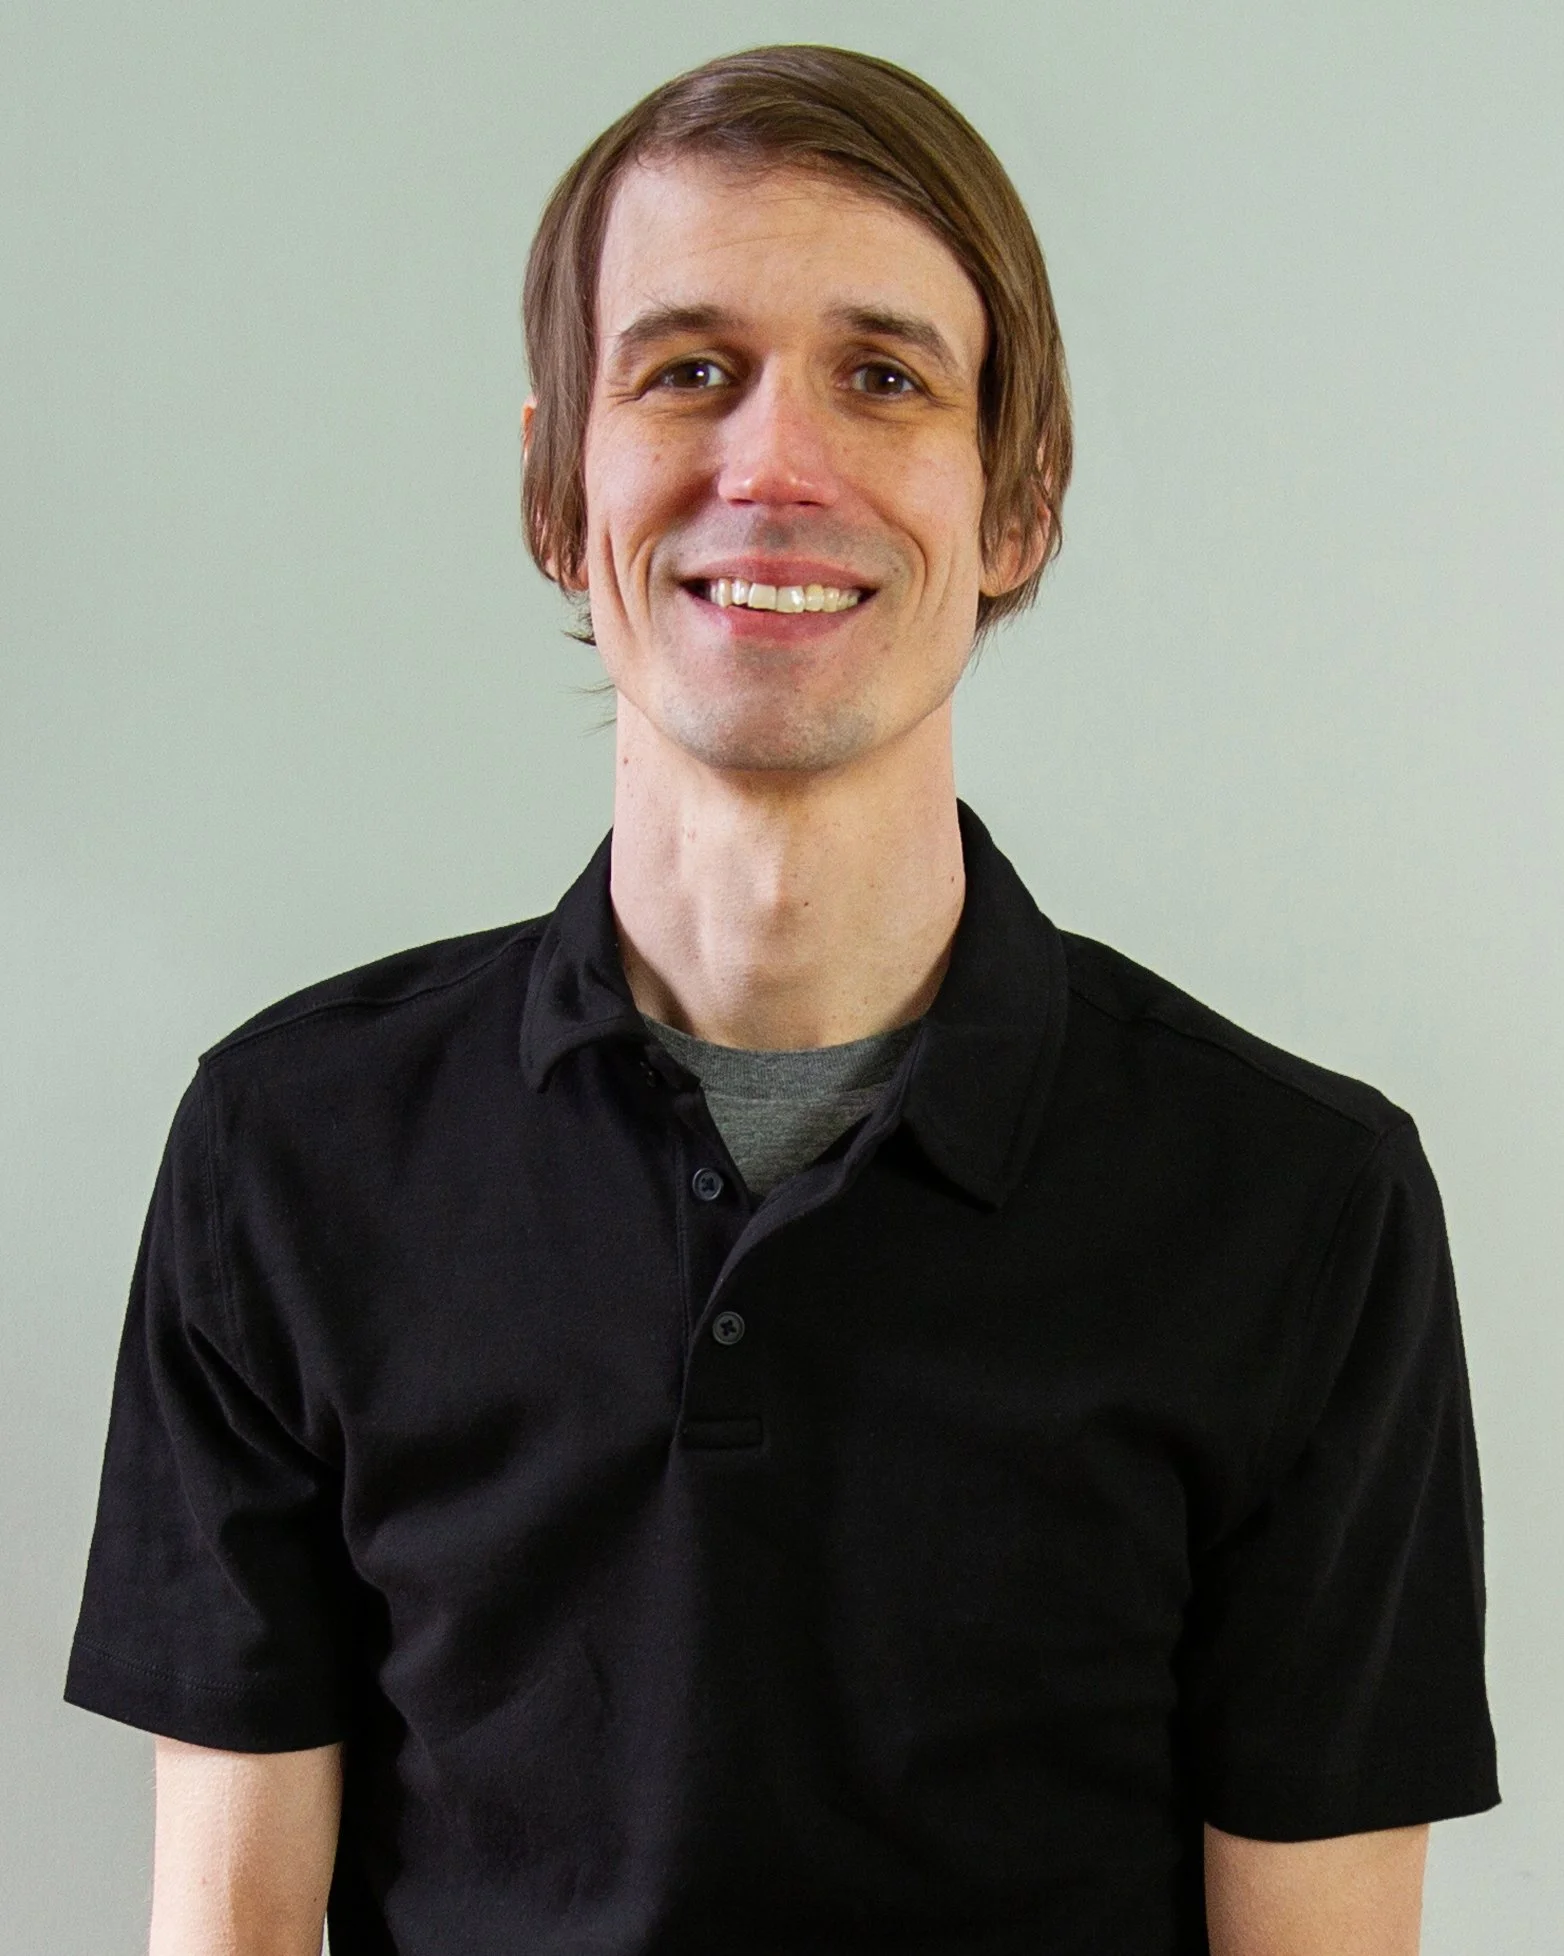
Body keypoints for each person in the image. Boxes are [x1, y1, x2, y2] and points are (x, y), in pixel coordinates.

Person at [64, 44, 1498, 1956]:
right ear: (557, 492)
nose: (775, 469)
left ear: (1018, 502)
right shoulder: (288, 1156)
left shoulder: (1303, 1210)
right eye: (688, 372)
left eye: (884, 378)